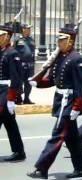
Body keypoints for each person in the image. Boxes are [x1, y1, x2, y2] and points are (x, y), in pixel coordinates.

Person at [27, 24, 82, 179]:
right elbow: (54, 80)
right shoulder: (60, 57)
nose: (58, 42)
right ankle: (81, 168)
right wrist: (39, 83)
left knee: (57, 135)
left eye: (62, 40)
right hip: (61, 101)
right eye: (58, 40)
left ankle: (42, 167)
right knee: (72, 138)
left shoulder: (77, 59)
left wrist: (77, 106)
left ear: (70, 41)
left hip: (69, 103)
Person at [0, 22, 26, 162]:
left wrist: (11, 98)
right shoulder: (1, 51)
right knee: (10, 123)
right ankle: (19, 151)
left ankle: (19, 151)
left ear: (7, 37)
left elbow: (16, 77)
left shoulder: (12, 53)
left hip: (6, 90)